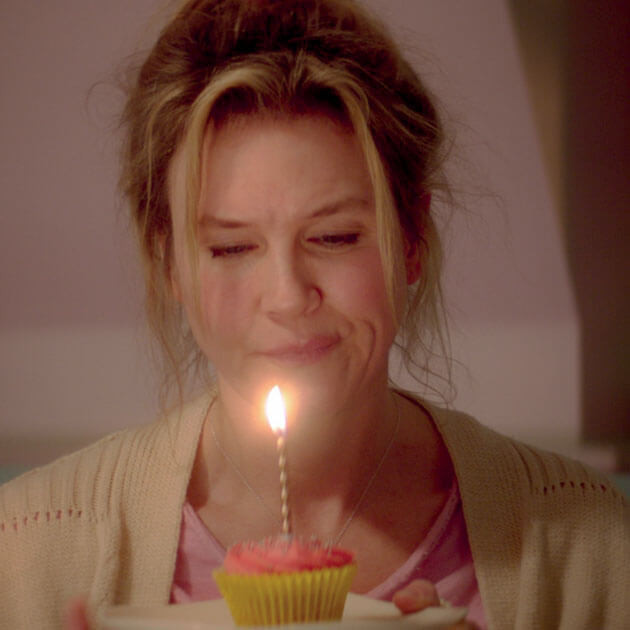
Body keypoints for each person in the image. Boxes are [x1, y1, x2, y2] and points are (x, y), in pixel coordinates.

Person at [1, 1, 628, 628]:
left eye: (334, 238)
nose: (287, 296)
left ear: (411, 238)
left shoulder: (597, 546)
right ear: (171, 267)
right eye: (231, 247)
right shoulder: (26, 551)